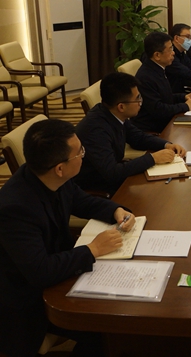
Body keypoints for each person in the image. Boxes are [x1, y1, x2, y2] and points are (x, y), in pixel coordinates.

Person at [0, 119, 136, 357]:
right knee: (106, 328)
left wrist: (115, 210)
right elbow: (40, 271)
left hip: (60, 272)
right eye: (80, 152)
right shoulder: (14, 208)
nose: (84, 155)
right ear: (60, 168)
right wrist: (93, 249)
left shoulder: (51, 176)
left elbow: (82, 201)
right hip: (28, 302)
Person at [75, 72, 187, 196]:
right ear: (121, 107)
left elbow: (137, 137)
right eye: (137, 99)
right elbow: (112, 173)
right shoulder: (95, 130)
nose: (140, 103)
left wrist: (166, 145)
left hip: (114, 175)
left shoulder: (113, 114)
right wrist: (153, 158)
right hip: (97, 186)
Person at [131, 32, 191, 133]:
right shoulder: (146, 77)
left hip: (163, 122)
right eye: (170, 49)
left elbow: (165, 97)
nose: (173, 53)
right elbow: (158, 110)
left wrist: (183, 97)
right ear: (157, 55)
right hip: (152, 130)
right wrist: (185, 106)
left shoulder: (158, 68)